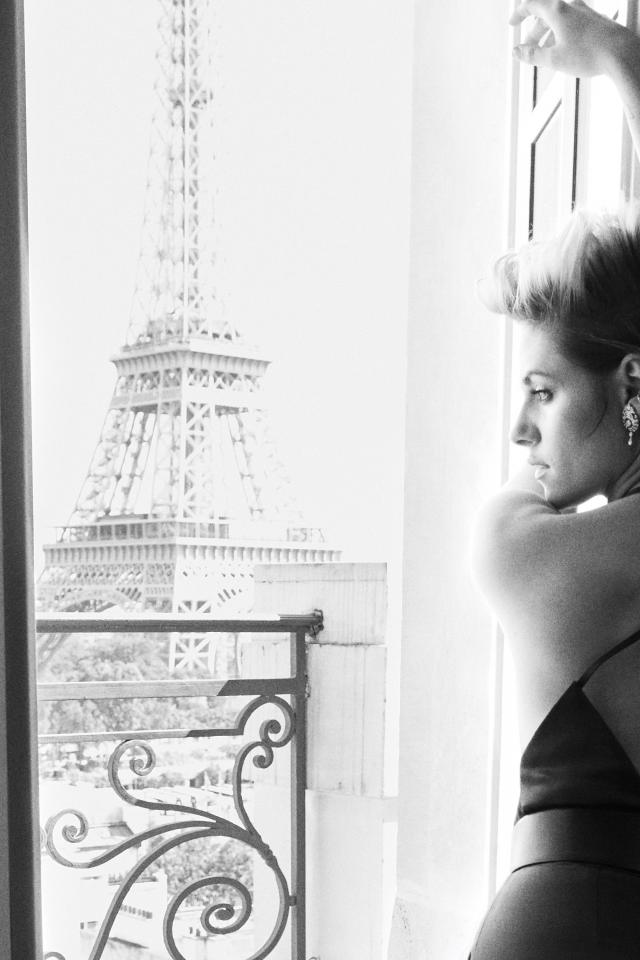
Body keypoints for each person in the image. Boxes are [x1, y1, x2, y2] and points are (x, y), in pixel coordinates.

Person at [468, 2, 640, 957]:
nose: (519, 429)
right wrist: (616, 56)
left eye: (541, 391)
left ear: (630, 383)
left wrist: (616, 57)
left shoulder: (523, 551)